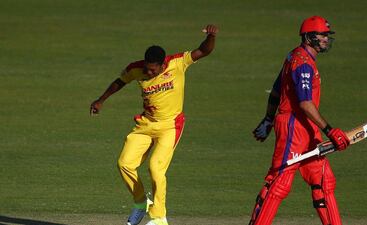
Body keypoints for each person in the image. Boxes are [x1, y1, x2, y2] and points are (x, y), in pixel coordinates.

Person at [90, 24, 218, 225]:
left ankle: (159, 218)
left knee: (156, 168)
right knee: (125, 164)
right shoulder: (136, 69)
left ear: (162, 65)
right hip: (146, 125)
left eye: (152, 70)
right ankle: (141, 202)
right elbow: (120, 81)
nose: (148, 73)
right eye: (146, 69)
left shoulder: (177, 63)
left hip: (170, 126)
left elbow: (204, 50)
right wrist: (101, 99)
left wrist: (211, 35)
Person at [249, 16, 350, 225]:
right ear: (309, 36)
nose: (326, 39)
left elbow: (276, 90)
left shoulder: (294, 57)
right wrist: (330, 131)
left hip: (307, 127)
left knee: (323, 181)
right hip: (294, 126)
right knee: (279, 182)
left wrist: (268, 120)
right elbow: (305, 103)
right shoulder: (302, 63)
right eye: (323, 35)